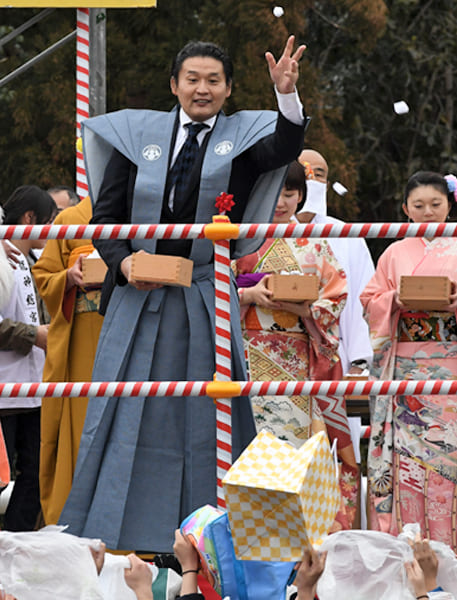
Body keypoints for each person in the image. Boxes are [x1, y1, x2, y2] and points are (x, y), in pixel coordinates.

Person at [60, 36, 308, 552]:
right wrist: (123, 261)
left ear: (229, 89)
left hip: (203, 299)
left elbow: (282, 149)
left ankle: (210, 542)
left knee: (208, 413)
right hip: (137, 292)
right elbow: (106, 216)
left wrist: (287, 96)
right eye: (192, 79)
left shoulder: (241, 142)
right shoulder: (138, 138)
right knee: (126, 410)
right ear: (174, 85)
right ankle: (115, 540)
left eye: (213, 80)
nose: (202, 89)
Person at [234, 161, 357, 528]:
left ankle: (300, 540)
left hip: (297, 361)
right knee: (250, 450)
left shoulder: (314, 243)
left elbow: (334, 296)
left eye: (289, 193)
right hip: (246, 357)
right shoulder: (241, 239)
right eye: (274, 193)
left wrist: (305, 309)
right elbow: (213, 288)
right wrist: (248, 293)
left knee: (295, 448)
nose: (281, 202)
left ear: (301, 195)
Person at [360, 171, 457, 550]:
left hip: (450, 367)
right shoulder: (395, 252)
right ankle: (408, 550)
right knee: (408, 464)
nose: (428, 213)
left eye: (436, 205)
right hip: (404, 367)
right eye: (419, 206)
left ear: (449, 206)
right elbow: (369, 301)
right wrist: (394, 301)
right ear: (405, 210)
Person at [32, 195, 104, 525]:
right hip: (83, 342)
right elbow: (45, 275)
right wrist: (70, 277)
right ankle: (75, 522)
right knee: (80, 428)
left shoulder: (145, 212)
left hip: (138, 332)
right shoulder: (71, 218)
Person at [0, 185, 56, 531]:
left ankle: (15, 543)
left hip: (33, 388)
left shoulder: (29, 260)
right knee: (3, 477)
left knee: (37, 475)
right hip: (4, 387)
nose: (51, 232)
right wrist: (34, 336)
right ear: (29, 218)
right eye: (48, 222)